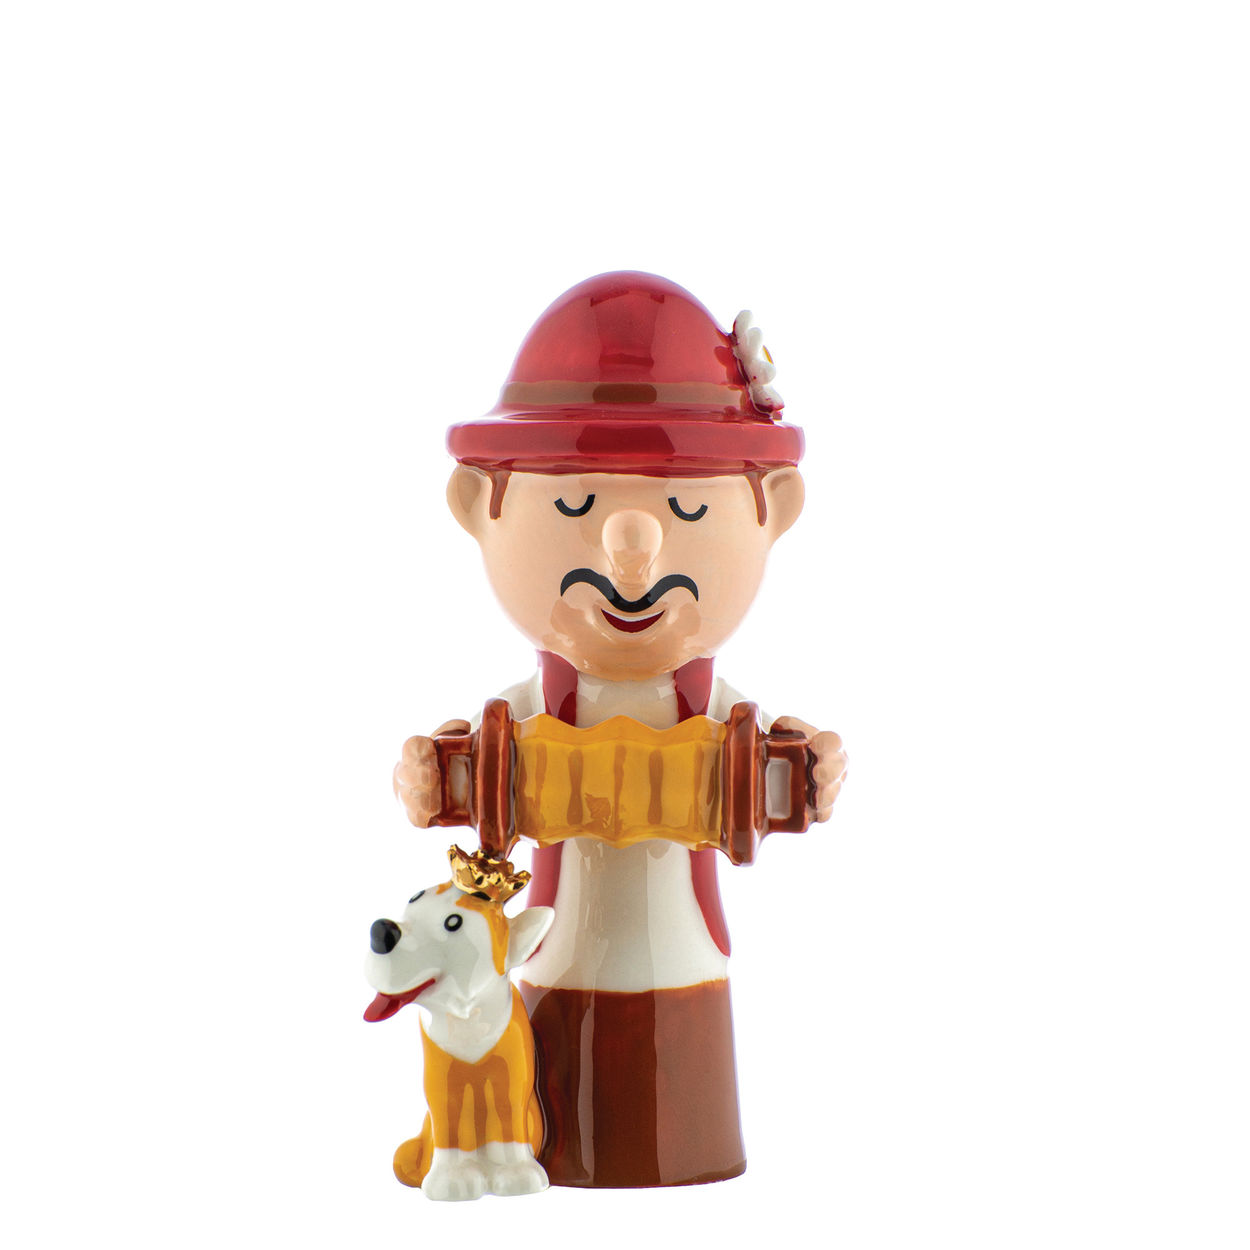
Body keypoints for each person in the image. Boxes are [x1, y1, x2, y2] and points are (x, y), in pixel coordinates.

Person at [394, 271, 847, 1188]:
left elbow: (781, 771)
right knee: (557, 1099)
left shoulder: (720, 716)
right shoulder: (526, 712)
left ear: (774, 511)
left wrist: (815, 770)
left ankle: (685, 1153)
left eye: (690, 510)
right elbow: (462, 772)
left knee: (687, 1108)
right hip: (555, 956)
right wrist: (427, 776)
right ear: (479, 508)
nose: (631, 550)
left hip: (687, 952)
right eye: (573, 507)